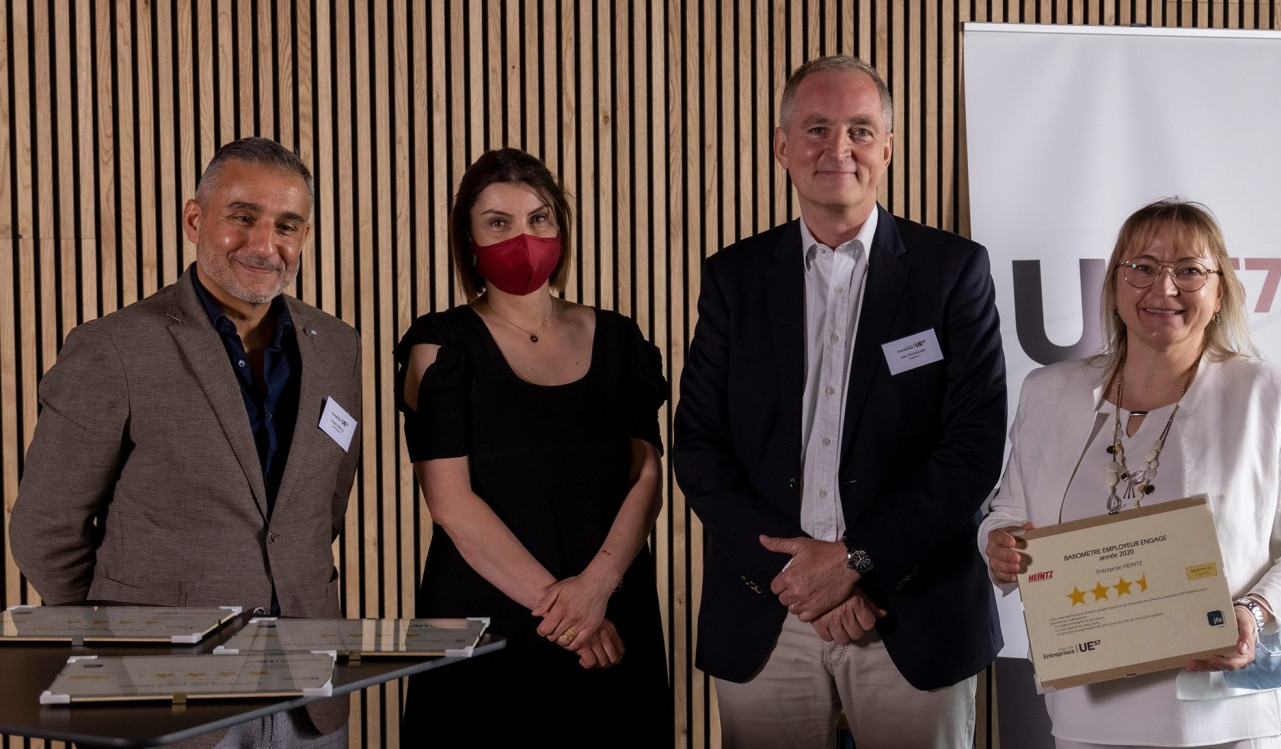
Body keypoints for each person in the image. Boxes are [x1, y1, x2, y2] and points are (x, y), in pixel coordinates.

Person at [673, 55, 1007, 749]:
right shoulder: (732, 278)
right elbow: (699, 446)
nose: (838, 149)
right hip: (769, 612)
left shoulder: (952, 273)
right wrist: (798, 576)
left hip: (912, 612)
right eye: (818, 128)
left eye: (860, 130)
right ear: (782, 146)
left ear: (887, 147)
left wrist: (854, 563)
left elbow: (972, 450)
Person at [9, 137, 362, 747]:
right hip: (159, 691)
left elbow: (321, 507)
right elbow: (43, 529)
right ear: (195, 220)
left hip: (308, 688)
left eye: (286, 224)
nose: (263, 244)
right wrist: (120, 631)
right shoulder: (114, 349)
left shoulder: (336, 347)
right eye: (242, 217)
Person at [980, 198, 1281, 749]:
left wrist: (1254, 612)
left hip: (1220, 712)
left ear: (1220, 289)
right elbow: (1009, 511)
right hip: (1086, 708)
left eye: (1189, 270)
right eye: (1143, 267)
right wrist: (1001, 543)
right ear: (1113, 285)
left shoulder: (1273, 397)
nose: (1164, 288)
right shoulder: (1047, 393)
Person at [395, 147, 671, 746]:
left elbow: (646, 474)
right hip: (483, 619)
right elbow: (450, 502)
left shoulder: (621, 340)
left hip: (612, 605)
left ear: (562, 231)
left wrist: (596, 588)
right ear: (468, 240)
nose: (523, 236)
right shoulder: (439, 345)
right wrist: (570, 616)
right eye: (498, 222)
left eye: (539, 218)